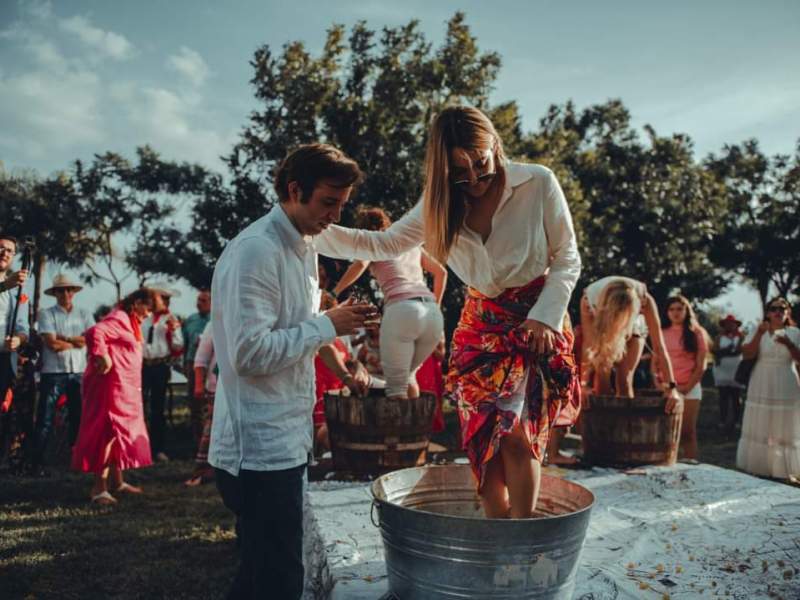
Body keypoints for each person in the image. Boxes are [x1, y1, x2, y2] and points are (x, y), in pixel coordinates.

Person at [316, 105, 586, 518]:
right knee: (483, 435)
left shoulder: (538, 182)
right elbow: (384, 244)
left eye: (481, 164)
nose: (474, 180)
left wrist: (545, 316)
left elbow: (567, 257)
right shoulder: (438, 202)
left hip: (536, 321)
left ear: (494, 144)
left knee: (517, 433)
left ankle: (522, 532)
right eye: (460, 172)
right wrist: (307, 229)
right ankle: (498, 531)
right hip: (481, 327)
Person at [208, 144, 378, 599]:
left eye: (342, 205)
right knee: (279, 579)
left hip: (286, 436)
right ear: (294, 189)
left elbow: (300, 331)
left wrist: (341, 353)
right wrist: (328, 324)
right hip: (257, 449)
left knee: (260, 576)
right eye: (328, 203)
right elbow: (249, 354)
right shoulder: (257, 251)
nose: (335, 217)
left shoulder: (305, 247)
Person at [332, 206, 446, 400]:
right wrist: (435, 307)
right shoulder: (409, 243)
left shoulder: (375, 241)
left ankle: (400, 420)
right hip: (431, 313)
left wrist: (334, 292)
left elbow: (360, 264)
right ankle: (415, 421)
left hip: (402, 309)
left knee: (396, 388)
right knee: (409, 377)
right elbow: (441, 272)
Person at [71, 288, 157, 505]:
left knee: (119, 434)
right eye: (148, 309)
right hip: (110, 388)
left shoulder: (129, 321)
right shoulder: (119, 317)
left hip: (124, 388)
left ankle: (117, 482)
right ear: (137, 303)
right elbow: (95, 332)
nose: (148, 314)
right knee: (107, 433)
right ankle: (99, 488)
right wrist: (102, 356)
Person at [580, 276, 681, 404]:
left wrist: (671, 388)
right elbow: (589, 345)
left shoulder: (644, 299)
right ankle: (603, 415)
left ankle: (625, 416)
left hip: (633, 327)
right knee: (601, 375)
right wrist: (583, 385)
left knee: (624, 379)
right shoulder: (588, 301)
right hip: (603, 325)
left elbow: (659, 346)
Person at [30, 274, 95, 473]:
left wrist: (63, 338)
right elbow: (51, 344)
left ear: (73, 292)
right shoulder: (46, 314)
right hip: (53, 373)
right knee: (45, 419)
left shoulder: (84, 313)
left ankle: (76, 459)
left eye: (69, 289)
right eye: (61, 290)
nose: (65, 293)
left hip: (78, 371)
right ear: (55, 293)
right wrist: (76, 341)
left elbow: (90, 340)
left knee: (79, 418)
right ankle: (37, 463)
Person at [736, 298, 800, 482]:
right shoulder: (758, 330)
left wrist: (789, 344)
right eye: (774, 309)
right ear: (768, 312)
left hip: (786, 377)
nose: (778, 312)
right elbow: (747, 354)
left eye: (782, 309)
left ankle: (785, 469)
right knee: (761, 422)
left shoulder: (795, 332)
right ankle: (759, 466)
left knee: (785, 423)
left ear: (788, 312)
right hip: (761, 378)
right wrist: (759, 333)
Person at [662, 295, 709, 460]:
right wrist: (662, 386)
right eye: (671, 309)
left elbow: (701, 365)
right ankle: (668, 465)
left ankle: (691, 464)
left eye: (679, 309)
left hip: (690, 388)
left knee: (687, 432)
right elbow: (655, 363)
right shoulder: (661, 332)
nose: (675, 313)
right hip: (667, 389)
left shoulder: (697, 333)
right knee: (667, 433)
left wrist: (686, 388)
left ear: (686, 311)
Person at [141, 285, 183, 462]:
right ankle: (139, 448)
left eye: (166, 299)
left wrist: (173, 331)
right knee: (139, 406)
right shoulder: (143, 317)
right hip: (142, 366)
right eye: (161, 298)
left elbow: (178, 345)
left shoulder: (171, 319)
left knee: (157, 409)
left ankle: (158, 448)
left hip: (160, 366)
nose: (164, 302)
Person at [0, 234, 29, 462]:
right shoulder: (8, 284)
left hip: (4, 358)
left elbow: (23, 327)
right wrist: (3, 285)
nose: (5, 253)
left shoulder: (17, 291)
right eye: (1, 247)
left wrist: (19, 340)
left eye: (10, 250)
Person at [184, 322, 216, 487]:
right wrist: (198, 385)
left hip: (240, 388)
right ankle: (203, 470)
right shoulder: (214, 323)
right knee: (213, 428)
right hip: (217, 386)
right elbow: (200, 358)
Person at [182, 289, 211, 445]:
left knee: (209, 401)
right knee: (194, 401)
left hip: (211, 366)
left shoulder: (216, 320)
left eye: (203, 300)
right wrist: (185, 364)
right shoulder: (191, 320)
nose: (199, 303)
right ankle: (197, 439)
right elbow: (185, 343)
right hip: (192, 363)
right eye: (198, 300)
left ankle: (210, 437)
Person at [712, 314, 745, 434]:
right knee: (723, 396)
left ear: (736, 325)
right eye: (727, 324)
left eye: (732, 323)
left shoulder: (741, 337)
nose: (729, 326)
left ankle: (736, 421)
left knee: (736, 396)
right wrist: (726, 350)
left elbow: (740, 351)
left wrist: (726, 352)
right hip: (722, 370)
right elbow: (715, 350)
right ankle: (722, 420)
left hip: (736, 369)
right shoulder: (719, 337)